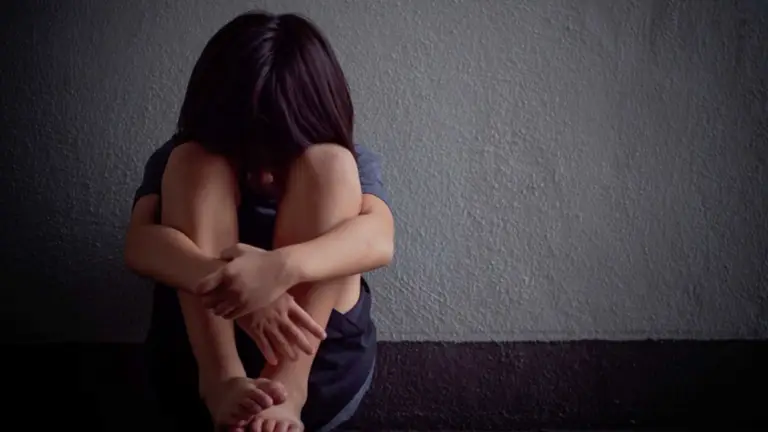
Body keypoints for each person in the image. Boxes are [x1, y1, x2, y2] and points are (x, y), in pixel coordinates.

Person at [124, 11, 394, 432]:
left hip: (321, 368)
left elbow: (378, 239)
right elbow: (140, 244)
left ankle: (288, 388)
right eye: (247, 155)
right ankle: (222, 379)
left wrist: (278, 269)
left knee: (330, 164)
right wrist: (236, 286)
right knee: (193, 160)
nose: (264, 176)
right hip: (196, 364)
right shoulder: (182, 157)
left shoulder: (347, 161)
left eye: (280, 154)